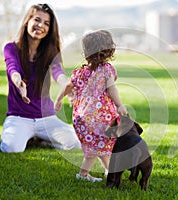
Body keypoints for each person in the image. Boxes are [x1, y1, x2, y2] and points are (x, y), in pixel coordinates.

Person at [0, 4, 81, 153]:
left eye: (46, 23)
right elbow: (13, 68)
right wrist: (19, 83)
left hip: (46, 117)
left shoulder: (51, 51)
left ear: (50, 29)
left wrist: (66, 85)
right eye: (37, 20)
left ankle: (40, 139)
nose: (40, 25)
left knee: (73, 144)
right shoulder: (11, 48)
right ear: (27, 21)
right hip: (19, 116)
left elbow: (58, 72)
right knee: (11, 148)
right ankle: (23, 135)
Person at [54, 30, 128, 182]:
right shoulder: (107, 70)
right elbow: (112, 89)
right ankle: (82, 175)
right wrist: (120, 105)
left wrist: (58, 99)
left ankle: (109, 171)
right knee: (96, 149)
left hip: (81, 119)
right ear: (108, 51)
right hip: (101, 117)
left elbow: (68, 86)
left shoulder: (79, 72)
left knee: (98, 147)